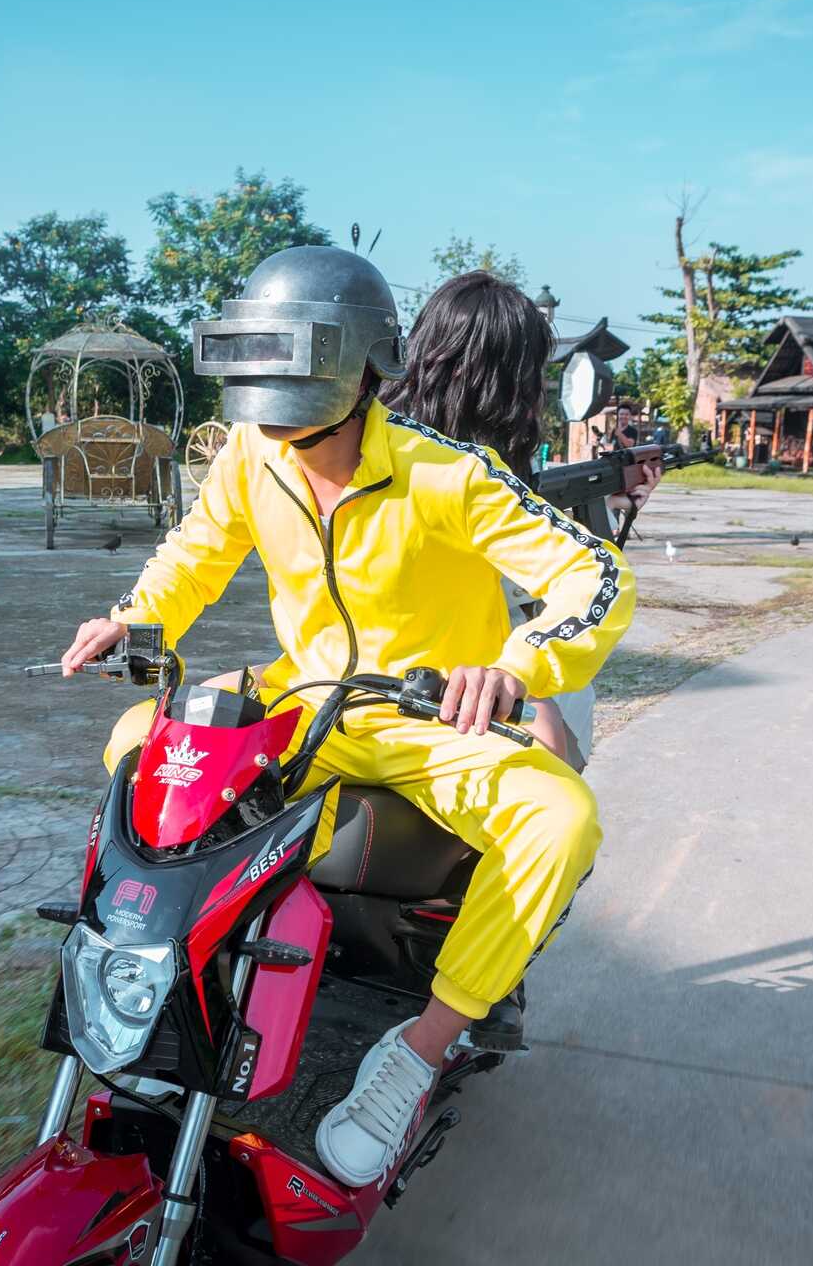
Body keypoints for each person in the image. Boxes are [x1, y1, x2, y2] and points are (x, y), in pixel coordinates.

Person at [59, 247, 633, 1189]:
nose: (278, 420)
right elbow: (195, 555)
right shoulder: (251, 454)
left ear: (368, 367)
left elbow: (596, 575)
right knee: (140, 743)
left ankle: (419, 1049)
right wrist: (133, 618)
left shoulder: (447, 473)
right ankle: (175, 981)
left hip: (429, 719)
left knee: (562, 820)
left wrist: (517, 666)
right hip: (306, 699)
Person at [378, 270, 652, 770]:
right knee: (557, 781)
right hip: (464, 692)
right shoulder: (461, 470)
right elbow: (563, 581)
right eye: (528, 374)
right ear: (499, 376)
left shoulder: (379, 441)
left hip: (396, 686)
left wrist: (615, 506)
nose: (536, 390)